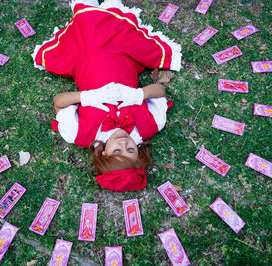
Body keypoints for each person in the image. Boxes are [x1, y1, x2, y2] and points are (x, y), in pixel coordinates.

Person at [32, 0, 182, 191]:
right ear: (138, 151)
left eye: (117, 150)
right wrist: (138, 94)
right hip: (125, 53)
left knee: (86, 17)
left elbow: (58, 102)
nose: (124, 142)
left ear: (103, 153)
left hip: (84, 57)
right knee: (114, 7)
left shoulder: (78, 134)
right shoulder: (150, 126)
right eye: (131, 149)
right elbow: (160, 93)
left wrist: (87, 97)